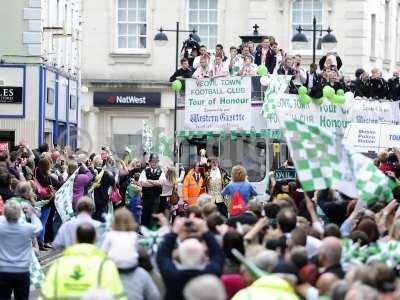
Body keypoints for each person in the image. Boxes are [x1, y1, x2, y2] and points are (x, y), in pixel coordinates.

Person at [40, 223, 126, 300]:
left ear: (76, 239)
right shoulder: (106, 265)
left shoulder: (60, 264)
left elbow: (46, 295)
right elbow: (118, 295)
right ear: (94, 239)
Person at [156, 217, 224, 300]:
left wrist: (174, 232)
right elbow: (218, 253)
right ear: (203, 256)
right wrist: (205, 230)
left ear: (179, 256)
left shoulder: (172, 275)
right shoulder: (211, 273)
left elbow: (162, 255)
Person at [101, 208, 160, 300]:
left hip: (114, 267)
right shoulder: (133, 236)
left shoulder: (110, 235)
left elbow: (102, 253)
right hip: (132, 267)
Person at [0, 200, 42, 300]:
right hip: (22, 271)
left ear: (5, 212)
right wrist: (32, 214)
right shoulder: (28, 228)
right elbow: (39, 227)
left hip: (3, 271)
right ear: (19, 214)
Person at [139, 154, 163, 228]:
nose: (154, 163)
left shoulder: (161, 172)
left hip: (156, 198)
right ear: (149, 162)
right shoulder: (144, 171)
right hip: (146, 198)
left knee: (154, 216)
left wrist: (149, 181)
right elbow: (142, 183)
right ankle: (143, 232)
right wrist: (155, 183)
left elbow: (161, 183)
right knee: (145, 215)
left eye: (156, 162)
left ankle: (152, 233)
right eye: (152, 162)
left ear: (158, 162)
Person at [92, 155, 115, 222]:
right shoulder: (106, 174)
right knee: (102, 219)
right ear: (101, 163)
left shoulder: (91, 172)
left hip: (93, 199)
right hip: (103, 198)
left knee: (93, 219)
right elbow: (113, 182)